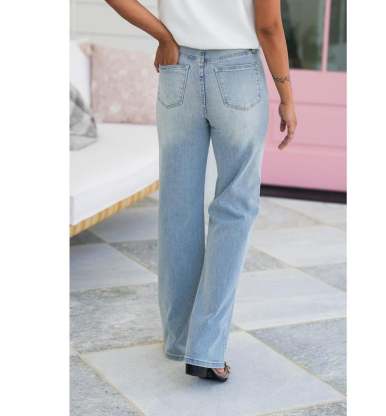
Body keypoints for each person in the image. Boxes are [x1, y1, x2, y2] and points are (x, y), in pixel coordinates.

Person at [105, 0, 297, 382]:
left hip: (178, 70)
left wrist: (163, 36)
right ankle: (206, 350)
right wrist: (287, 97)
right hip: (238, 74)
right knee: (236, 207)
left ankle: (180, 341)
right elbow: (269, 27)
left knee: (178, 208)